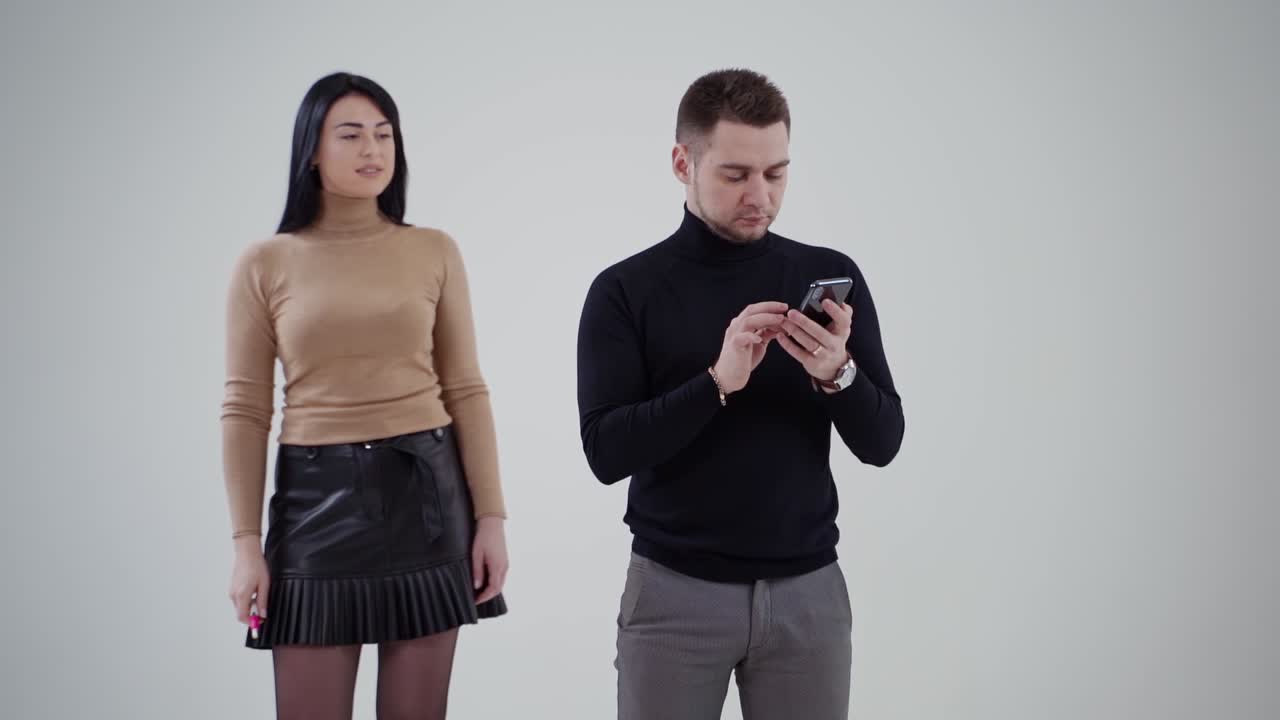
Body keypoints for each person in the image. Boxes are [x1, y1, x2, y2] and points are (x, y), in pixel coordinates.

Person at [575, 68, 905, 719]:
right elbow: (605, 454)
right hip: (674, 596)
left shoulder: (824, 275)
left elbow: (883, 443)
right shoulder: (624, 291)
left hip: (807, 595)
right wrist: (715, 383)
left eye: (776, 173)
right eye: (735, 175)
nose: (761, 195)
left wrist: (838, 374)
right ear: (682, 163)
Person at [221, 72, 509, 720]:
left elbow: (465, 387)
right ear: (312, 150)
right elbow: (245, 409)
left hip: (427, 496)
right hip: (312, 508)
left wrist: (491, 517)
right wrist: (246, 546)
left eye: (384, 134)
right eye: (349, 134)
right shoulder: (265, 262)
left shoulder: (432, 250)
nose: (372, 149)